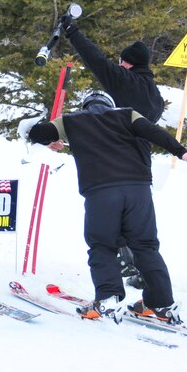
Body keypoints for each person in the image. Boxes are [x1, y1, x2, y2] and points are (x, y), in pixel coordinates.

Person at [27, 91, 187, 324]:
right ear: (111, 105)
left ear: (86, 105)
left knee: (102, 245)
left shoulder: (72, 120)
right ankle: (161, 303)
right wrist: (182, 152)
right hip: (138, 190)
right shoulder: (127, 114)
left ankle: (109, 298)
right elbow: (154, 132)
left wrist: (50, 139)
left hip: (102, 192)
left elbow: (37, 132)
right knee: (146, 246)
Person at [62, 20, 166, 288]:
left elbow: (94, 59)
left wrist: (72, 32)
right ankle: (143, 273)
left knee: (106, 228)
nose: (118, 66)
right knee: (141, 231)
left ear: (128, 64)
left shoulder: (124, 81)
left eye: (121, 62)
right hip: (141, 169)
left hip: (113, 164)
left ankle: (116, 277)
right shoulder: (155, 95)